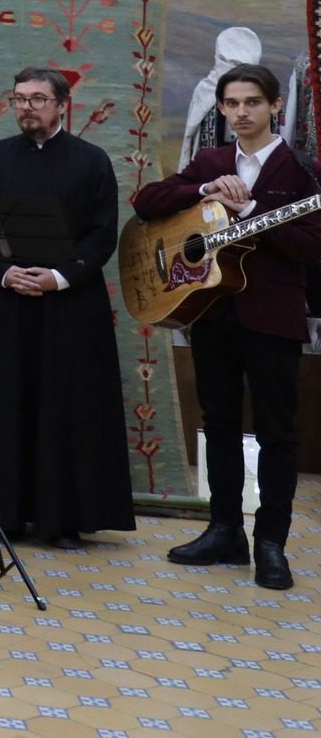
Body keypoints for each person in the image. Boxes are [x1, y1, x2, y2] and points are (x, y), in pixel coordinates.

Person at [135, 64, 321, 589]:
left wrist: (251, 209)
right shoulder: (212, 161)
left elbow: (312, 246)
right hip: (212, 314)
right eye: (232, 103)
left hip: (273, 319)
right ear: (220, 108)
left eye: (252, 102)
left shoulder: (300, 171)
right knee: (217, 423)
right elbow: (146, 202)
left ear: (275, 106)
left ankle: (271, 544)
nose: (241, 112)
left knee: (276, 432)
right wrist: (204, 190)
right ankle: (224, 531)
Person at [0, 67, 134, 549]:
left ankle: (60, 520)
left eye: (37, 99)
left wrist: (58, 277)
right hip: (3, 303)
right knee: (2, 404)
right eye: (19, 99)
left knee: (62, 409)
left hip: (68, 307)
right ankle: (0, 513)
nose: (26, 107)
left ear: (62, 104)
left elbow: (102, 235)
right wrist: (4, 273)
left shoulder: (91, 161)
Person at [182, 26, 266, 164]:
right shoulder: (205, 90)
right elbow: (191, 135)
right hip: (211, 166)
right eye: (230, 63)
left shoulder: (265, 91)